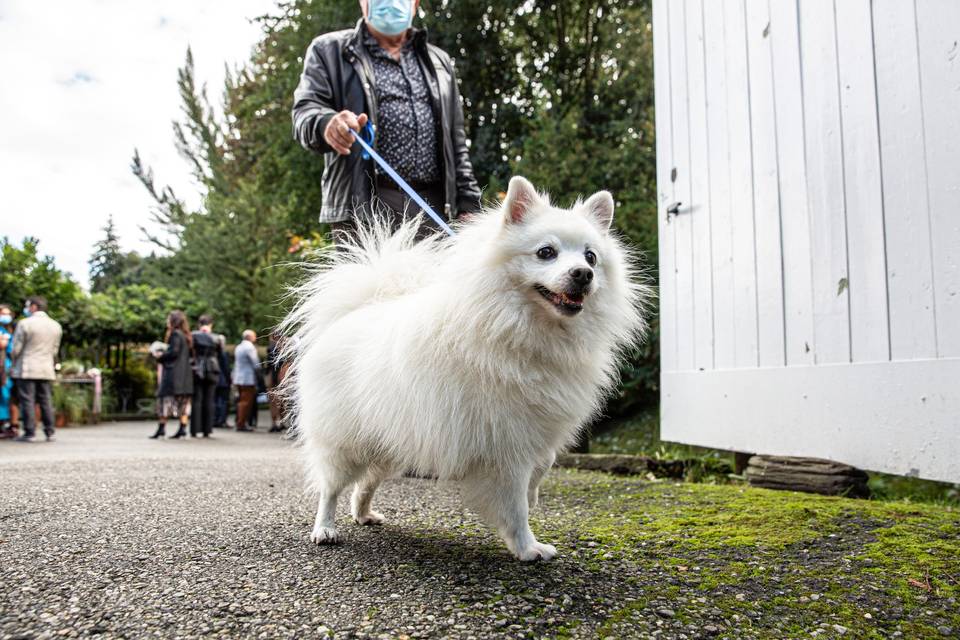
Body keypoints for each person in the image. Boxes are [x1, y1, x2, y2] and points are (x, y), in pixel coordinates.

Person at [292, 0, 481, 243]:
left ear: (415, 4)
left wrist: (470, 205)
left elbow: (456, 141)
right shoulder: (329, 51)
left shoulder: (439, 62)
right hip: (364, 209)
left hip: (432, 208)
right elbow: (305, 111)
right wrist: (327, 124)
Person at [10, 296, 63, 443]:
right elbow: (54, 350)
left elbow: (16, 349)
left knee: (27, 400)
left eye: (27, 306)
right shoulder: (55, 325)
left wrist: (14, 363)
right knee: (45, 400)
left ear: (33, 307)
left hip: (27, 368)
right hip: (46, 369)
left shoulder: (25, 324)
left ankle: (29, 432)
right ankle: (50, 432)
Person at [150, 311, 194, 440]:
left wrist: (160, 356)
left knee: (165, 400)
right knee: (183, 403)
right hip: (185, 375)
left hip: (174, 374)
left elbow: (173, 352)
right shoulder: (187, 336)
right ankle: (182, 428)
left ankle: (161, 428)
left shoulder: (175, 334)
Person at [190, 314, 220, 438]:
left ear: (199, 324)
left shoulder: (193, 336)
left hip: (197, 369)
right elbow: (219, 353)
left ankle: (194, 430)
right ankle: (207, 430)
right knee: (209, 399)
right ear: (211, 324)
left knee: (196, 399)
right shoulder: (217, 338)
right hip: (212, 369)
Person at [232, 330, 260, 432]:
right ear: (250, 337)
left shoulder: (238, 347)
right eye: (254, 336)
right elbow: (255, 363)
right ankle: (241, 423)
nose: (255, 338)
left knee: (240, 400)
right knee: (245, 402)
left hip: (238, 378)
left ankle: (240, 421)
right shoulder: (250, 347)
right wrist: (259, 374)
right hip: (247, 378)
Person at [266, 332, 289, 433]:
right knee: (282, 400)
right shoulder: (285, 347)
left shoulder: (271, 346)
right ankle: (281, 422)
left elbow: (269, 364)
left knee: (273, 401)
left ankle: (274, 423)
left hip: (274, 375)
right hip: (283, 375)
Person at [0, 304, 16, 437]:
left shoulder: (11, 330)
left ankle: (11, 425)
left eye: (7, 314)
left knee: (8, 396)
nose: (5, 317)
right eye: (2, 313)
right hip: (2, 366)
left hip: (8, 367)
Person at [213, 333, 231, 428]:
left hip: (214, 379)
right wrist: (229, 380)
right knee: (223, 401)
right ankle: (221, 420)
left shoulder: (213, 353)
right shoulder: (224, 354)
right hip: (223, 380)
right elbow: (226, 368)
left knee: (215, 400)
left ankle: (215, 419)